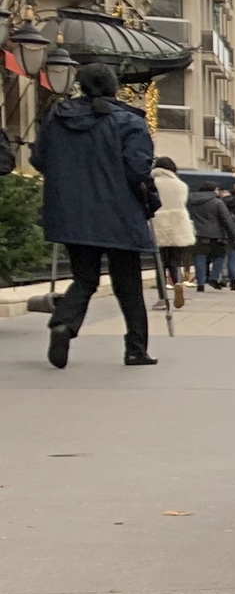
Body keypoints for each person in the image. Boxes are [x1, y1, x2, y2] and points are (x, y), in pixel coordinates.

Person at [31, 60, 157, 368]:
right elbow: (137, 168)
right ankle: (135, 349)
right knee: (127, 283)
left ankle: (64, 323)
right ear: (114, 87)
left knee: (84, 278)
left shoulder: (56, 118)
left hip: (72, 211)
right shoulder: (129, 121)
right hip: (119, 212)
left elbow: (40, 159)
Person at [149, 155, 193, 304]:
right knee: (175, 261)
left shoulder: (153, 183)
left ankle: (163, 298)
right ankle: (178, 284)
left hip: (158, 223)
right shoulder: (181, 185)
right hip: (178, 223)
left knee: (159, 263)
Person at [189, 174, 235, 289]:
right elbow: (227, 219)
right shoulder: (217, 202)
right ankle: (213, 278)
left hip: (198, 233)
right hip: (217, 235)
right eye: (217, 189)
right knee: (219, 257)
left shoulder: (192, 201)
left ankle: (200, 283)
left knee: (199, 257)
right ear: (213, 190)